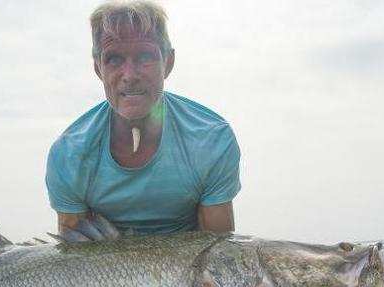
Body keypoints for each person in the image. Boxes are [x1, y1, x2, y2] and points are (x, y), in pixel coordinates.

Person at [45, 1, 242, 237]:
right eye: (114, 59)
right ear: (98, 68)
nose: (130, 76)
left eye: (145, 56)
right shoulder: (69, 154)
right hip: (103, 272)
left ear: (167, 63)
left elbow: (218, 254)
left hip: (186, 270)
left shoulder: (212, 140)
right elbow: (72, 260)